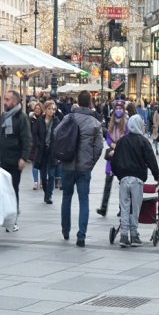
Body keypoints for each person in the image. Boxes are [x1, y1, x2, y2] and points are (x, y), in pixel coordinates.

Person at [60, 90, 103, 247]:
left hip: (68, 164)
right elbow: (99, 147)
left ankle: (65, 230)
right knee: (83, 200)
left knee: (66, 197)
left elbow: (57, 134)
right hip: (85, 167)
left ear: (77, 101)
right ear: (90, 103)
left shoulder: (68, 117)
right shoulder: (95, 123)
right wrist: (91, 162)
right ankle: (81, 235)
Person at [111, 114, 159, 247]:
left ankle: (123, 236)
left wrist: (119, 175)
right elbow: (151, 160)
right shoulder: (143, 141)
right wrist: (156, 176)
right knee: (135, 208)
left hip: (124, 179)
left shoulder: (122, 141)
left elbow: (114, 161)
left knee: (125, 207)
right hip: (137, 179)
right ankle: (134, 235)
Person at [0, 90, 32, 232]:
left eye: (7, 99)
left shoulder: (21, 118)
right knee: (3, 191)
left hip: (14, 160)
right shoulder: (4, 116)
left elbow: (27, 139)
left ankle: (13, 219)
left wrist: (23, 157)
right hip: (2, 159)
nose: (5, 102)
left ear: (15, 102)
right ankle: (6, 217)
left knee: (13, 190)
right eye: (4, 99)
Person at [96, 100, 128, 217]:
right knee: (108, 183)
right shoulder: (111, 123)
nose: (118, 110)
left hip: (122, 156)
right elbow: (108, 137)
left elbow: (127, 137)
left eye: (120, 108)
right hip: (111, 157)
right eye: (117, 108)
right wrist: (111, 144)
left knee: (122, 184)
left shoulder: (127, 123)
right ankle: (103, 208)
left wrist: (118, 146)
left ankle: (121, 208)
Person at [33, 100, 61, 204]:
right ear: (45, 109)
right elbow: (34, 134)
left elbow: (60, 136)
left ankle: (49, 195)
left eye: (53, 109)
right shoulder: (39, 121)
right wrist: (38, 144)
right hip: (42, 151)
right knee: (43, 176)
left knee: (52, 174)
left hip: (52, 151)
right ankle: (46, 192)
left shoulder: (57, 121)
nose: (51, 111)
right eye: (49, 109)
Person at [29, 102, 44, 190]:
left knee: (41, 165)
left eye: (38, 109)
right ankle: (35, 182)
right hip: (33, 145)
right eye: (36, 108)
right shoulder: (31, 119)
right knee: (34, 164)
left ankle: (42, 181)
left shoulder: (43, 119)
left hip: (41, 145)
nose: (37, 110)